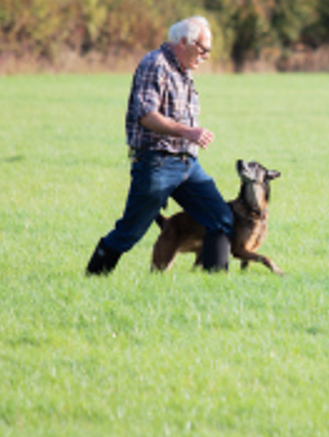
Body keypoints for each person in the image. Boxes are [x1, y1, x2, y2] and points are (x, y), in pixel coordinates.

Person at [86, 15, 233, 275]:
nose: (207, 56)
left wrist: (189, 138)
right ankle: (92, 278)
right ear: (184, 42)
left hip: (188, 165)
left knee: (221, 219)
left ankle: (216, 286)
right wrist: (189, 132)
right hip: (158, 163)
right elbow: (147, 115)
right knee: (129, 233)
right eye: (204, 49)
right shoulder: (155, 64)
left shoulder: (183, 70)